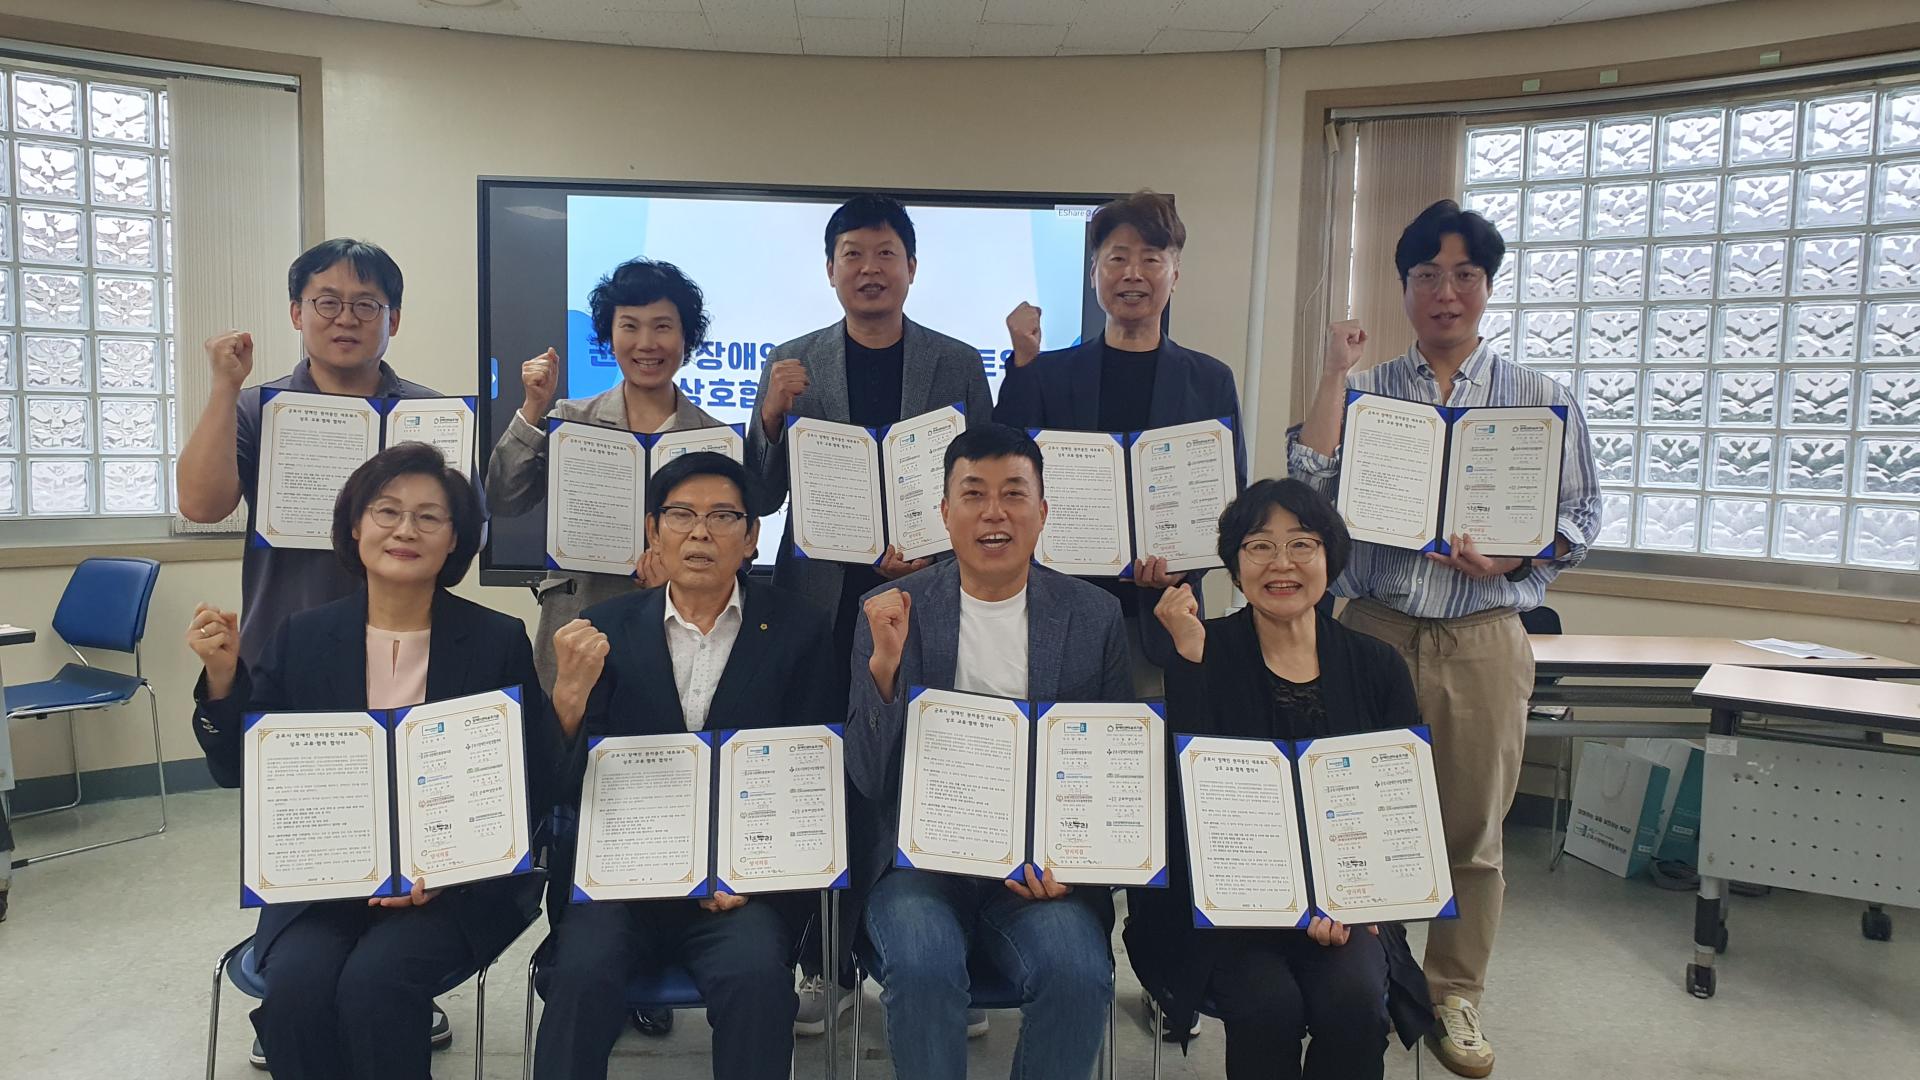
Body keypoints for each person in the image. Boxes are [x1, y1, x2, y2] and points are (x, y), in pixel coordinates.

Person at [1289, 199, 1600, 1079]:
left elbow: (1582, 516)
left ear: (1488, 286)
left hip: (1483, 634)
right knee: (1353, 810)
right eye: (1427, 275)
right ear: (1404, 287)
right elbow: (1307, 488)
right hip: (1374, 629)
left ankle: (1455, 992)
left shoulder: (1541, 400)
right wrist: (1333, 374)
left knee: (1472, 829)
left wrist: (1516, 555)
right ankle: (1363, 975)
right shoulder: (1368, 392)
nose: (1445, 292)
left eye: (1465, 275)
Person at [187, 443, 562, 1080]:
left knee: (376, 986)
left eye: (429, 517)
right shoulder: (303, 636)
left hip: (453, 886)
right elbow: (238, 771)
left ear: (455, 540)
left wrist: (450, 867)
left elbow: (525, 780)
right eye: (386, 511)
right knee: (296, 993)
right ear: (355, 527)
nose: (405, 530)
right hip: (323, 882)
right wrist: (224, 681)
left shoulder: (496, 639)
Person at [745, 193, 993, 1033]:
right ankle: (829, 963)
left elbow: (982, 480)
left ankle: (943, 967)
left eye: (886, 253)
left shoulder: (956, 362)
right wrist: (770, 417)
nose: (870, 269)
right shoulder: (793, 361)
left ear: (912, 267)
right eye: (852, 254)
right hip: (824, 605)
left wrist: (935, 552)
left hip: (928, 596)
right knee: (828, 785)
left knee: (927, 774)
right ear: (830, 270)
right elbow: (759, 496)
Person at [530, 451, 837, 1080]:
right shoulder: (602, 630)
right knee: (580, 973)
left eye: (723, 517)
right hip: (619, 886)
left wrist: (757, 878)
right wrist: (567, 703)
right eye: (681, 515)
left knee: (757, 978)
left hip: (741, 890)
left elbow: (814, 781)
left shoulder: (800, 632)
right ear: (653, 531)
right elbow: (555, 786)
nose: (700, 533)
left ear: (751, 538)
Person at [1126, 478, 1434, 1080]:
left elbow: (1402, 801)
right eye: (1260, 546)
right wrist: (1189, 660)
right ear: (1236, 565)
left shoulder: (1377, 663)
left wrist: (1360, 900)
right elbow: (1187, 802)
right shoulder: (1203, 648)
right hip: (1230, 906)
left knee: (1353, 1002)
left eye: (1301, 544)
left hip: (1347, 901)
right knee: (1267, 1006)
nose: (1281, 563)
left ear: (1329, 557)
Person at [848, 424, 1128, 1080]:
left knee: (1078, 972)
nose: (994, 512)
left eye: (1013, 494)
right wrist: (884, 669)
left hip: (1041, 870)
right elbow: (865, 775)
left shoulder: (1095, 616)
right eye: (973, 494)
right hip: (919, 864)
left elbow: (1117, 771)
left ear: (1043, 512)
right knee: (922, 965)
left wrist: (1075, 865)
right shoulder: (891, 610)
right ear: (945, 514)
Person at [994, 190, 1247, 701]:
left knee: (1151, 744)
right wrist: (1021, 364)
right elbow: (1004, 460)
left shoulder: (1209, 380)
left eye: (1151, 259)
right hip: (1060, 609)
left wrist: (1187, 562)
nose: (1133, 274)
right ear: (1094, 273)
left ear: (1175, 274)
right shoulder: (1048, 373)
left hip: (1161, 619)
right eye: (1117, 259)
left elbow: (1228, 497)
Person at [177, 238, 442, 668]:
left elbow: (467, 535)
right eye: (327, 302)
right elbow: (200, 507)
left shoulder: (430, 415)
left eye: (366, 305)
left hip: (409, 652)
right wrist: (225, 387)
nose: (346, 318)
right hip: (281, 646)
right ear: (297, 313)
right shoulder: (255, 408)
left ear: (392, 320)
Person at [486, 257, 729, 692]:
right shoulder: (570, 419)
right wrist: (533, 408)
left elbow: (728, 547)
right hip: (579, 622)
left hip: (678, 630)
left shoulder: (714, 439)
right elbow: (503, 498)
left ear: (686, 337)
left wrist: (674, 578)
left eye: (662, 326)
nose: (646, 343)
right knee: (568, 730)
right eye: (630, 326)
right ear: (609, 335)